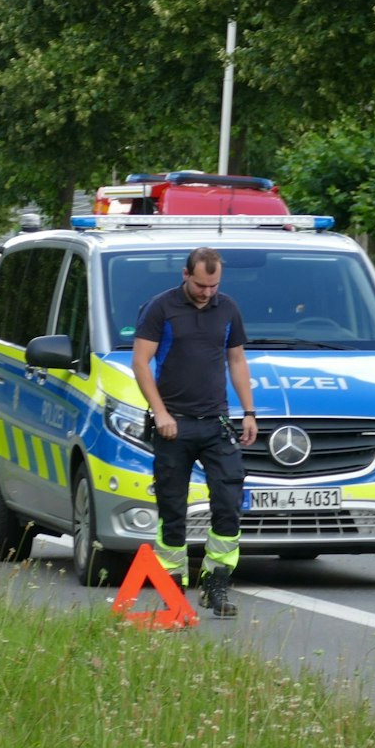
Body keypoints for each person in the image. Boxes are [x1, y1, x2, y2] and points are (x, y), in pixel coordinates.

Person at [130, 246, 259, 618]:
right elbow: (141, 362)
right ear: (186, 275)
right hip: (174, 425)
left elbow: (236, 360)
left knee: (229, 499)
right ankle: (173, 593)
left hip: (215, 422)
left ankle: (216, 584)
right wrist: (161, 412)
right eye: (201, 285)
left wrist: (248, 412)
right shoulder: (161, 308)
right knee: (172, 509)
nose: (206, 292)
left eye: (213, 286)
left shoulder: (228, 308)